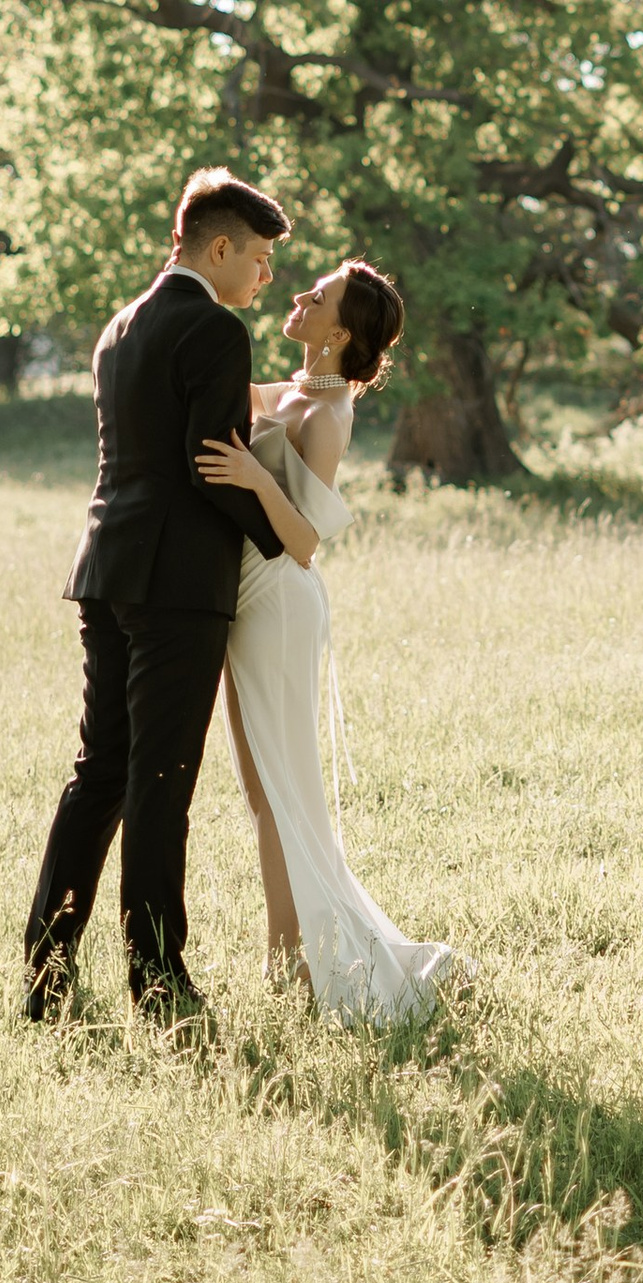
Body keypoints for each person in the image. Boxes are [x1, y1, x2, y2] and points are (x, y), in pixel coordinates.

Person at [24, 168, 291, 1030]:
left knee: (99, 773)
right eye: (258, 258)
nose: (265, 278)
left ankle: (46, 971)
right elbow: (213, 463)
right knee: (161, 781)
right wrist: (287, 539)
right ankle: (158, 981)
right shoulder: (214, 328)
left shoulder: (119, 327)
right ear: (218, 248)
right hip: (177, 586)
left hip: (106, 568)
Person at [197, 255, 466, 1022]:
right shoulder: (286, 391)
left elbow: (309, 540)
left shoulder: (328, 414)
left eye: (317, 296)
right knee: (262, 792)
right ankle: (295, 959)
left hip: (280, 599)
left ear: (340, 332)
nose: (300, 295)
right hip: (246, 595)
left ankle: (303, 967)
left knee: (285, 790)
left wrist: (254, 478)